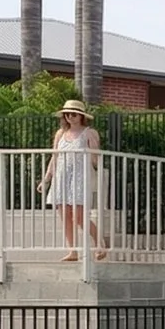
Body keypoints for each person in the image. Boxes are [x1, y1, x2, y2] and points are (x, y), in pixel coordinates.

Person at [38, 99, 105, 262]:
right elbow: (55, 156)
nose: (70, 117)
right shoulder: (60, 133)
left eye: (73, 114)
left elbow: (95, 160)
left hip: (79, 177)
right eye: (67, 114)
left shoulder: (89, 132)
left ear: (81, 116)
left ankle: (99, 243)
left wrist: (95, 148)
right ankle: (72, 251)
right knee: (65, 216)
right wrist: (46, 179)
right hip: (62, 176)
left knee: (80, 216)